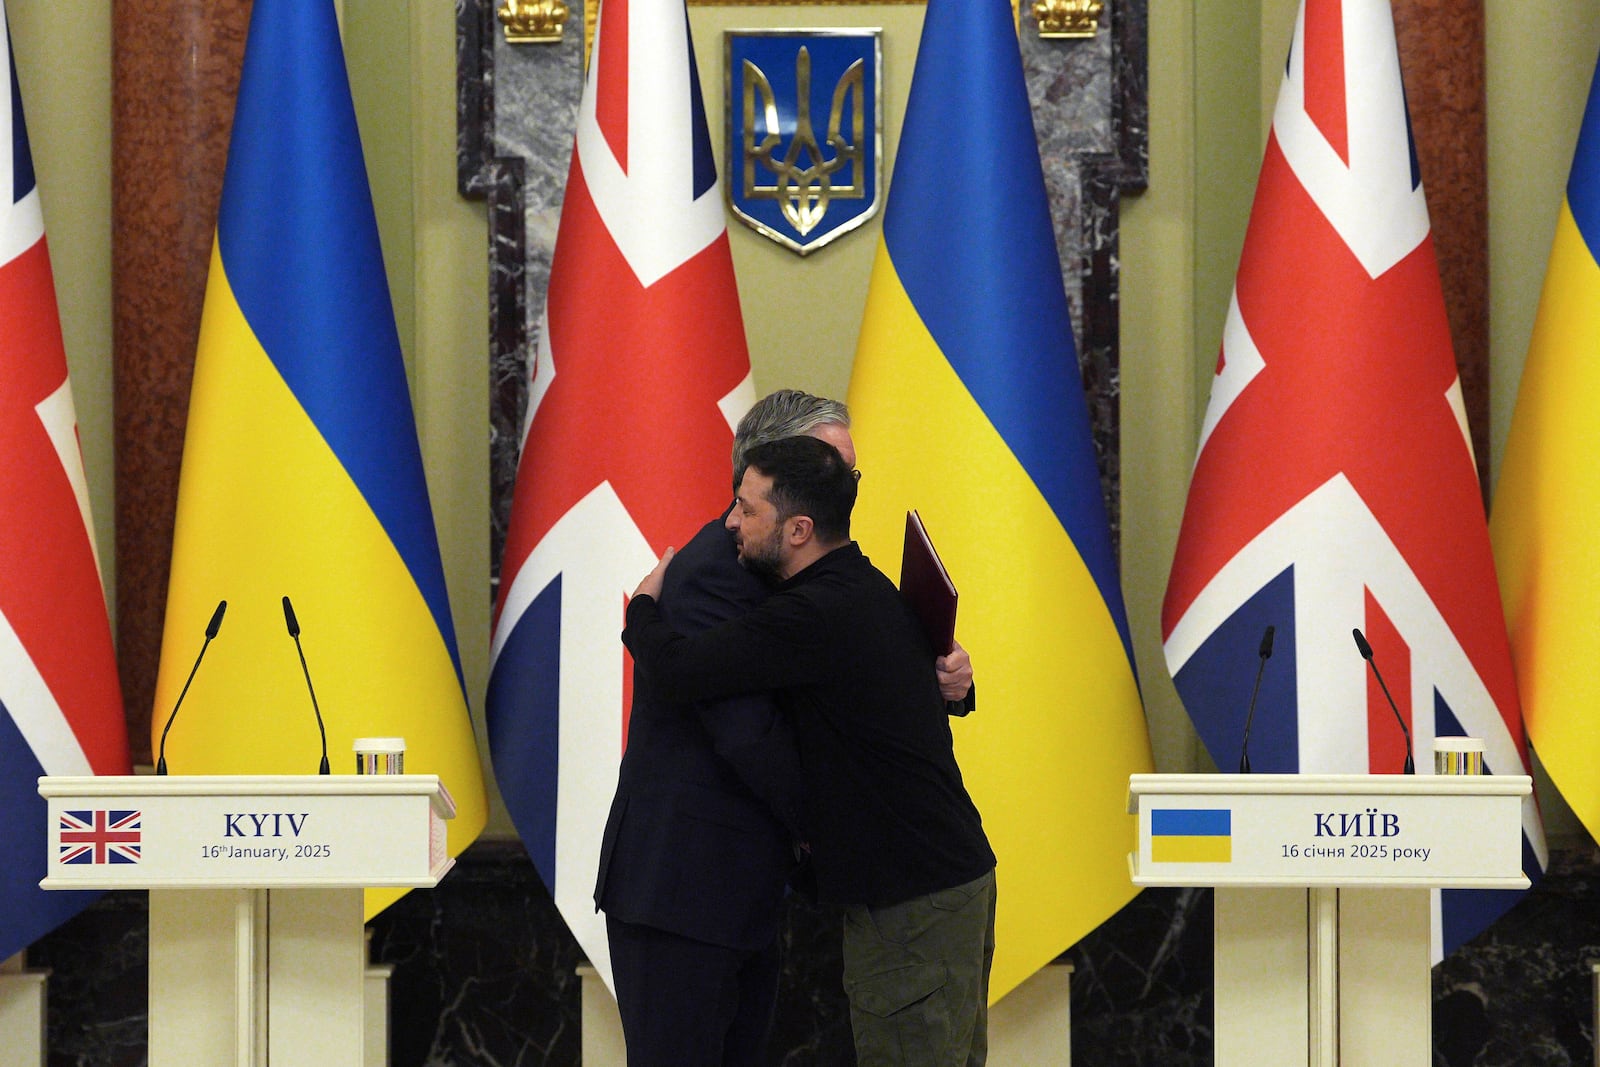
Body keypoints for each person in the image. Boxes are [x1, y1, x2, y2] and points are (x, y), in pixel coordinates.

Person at [594, 390, 973, 1066]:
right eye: (831, 467)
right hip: (682, 888)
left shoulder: (811, 574)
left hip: (745, 888)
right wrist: (828, 825)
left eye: (848, 474)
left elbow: (860, 686)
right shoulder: (717, 572)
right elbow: (747, 735)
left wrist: (945, 682)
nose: (845, 488)